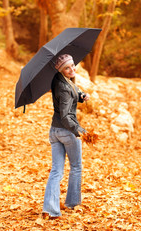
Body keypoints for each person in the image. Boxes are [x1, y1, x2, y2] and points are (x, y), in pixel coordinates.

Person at [42, 54, 90, 219]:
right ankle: (72, 203)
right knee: (76, 167)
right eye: (67, 68)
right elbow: (65, 115)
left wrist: (81, 95)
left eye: (72, 65)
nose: (72, 69)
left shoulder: (58, 79)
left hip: (54, 132)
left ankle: (50, 209)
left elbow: (72, 91)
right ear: (62, 70)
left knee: (56, 170)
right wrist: (79, 130)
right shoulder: (64, 87)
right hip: (66, 131)